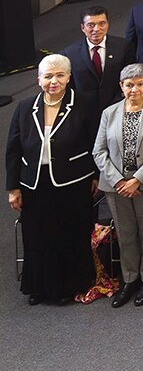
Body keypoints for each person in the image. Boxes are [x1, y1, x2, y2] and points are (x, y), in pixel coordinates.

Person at [7, 55, 98, 305]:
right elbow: (13, 148)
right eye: (47, 76)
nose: (53, 81)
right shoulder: (25, 107)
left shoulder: (84, 103)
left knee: (70, 234)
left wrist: (95, 175)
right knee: (37, 236)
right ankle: (39, 287)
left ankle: (68, 287)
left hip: (72, 182)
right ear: (38, 80)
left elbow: (95, 144)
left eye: (59, 75)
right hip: (34, 183)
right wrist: (13, 187)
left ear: (69, 77)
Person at [92, 64, 143, 307]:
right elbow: (99, 151)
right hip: (115, 186)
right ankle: (130, 280)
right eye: (129, 85)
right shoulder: (109, 113)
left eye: (139, 84)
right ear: (121, 86)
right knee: (125, 234)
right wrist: (119, 181)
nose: (134, 89)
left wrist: (137, 179)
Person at [62, 5, 135, 115]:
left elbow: (130, 77)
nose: (96, 29)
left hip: (118, 109)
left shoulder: (124, 46)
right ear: (83, 27)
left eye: (102, 24)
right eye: (91, 25)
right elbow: (69, 86)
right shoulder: (70, 54)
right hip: (84, 113)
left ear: (107, 24)